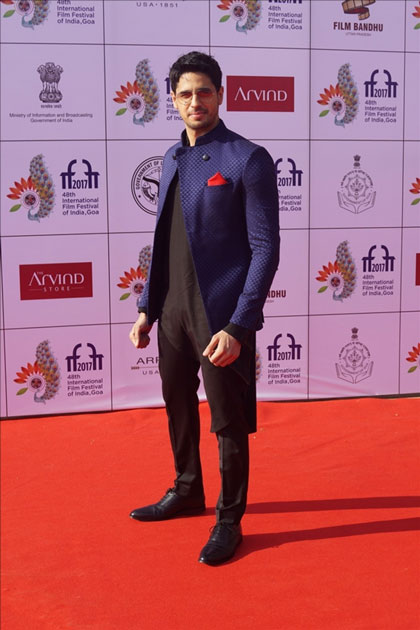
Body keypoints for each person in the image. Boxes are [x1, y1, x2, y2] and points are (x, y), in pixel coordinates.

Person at [129, 51, 279, 565]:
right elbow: (162, 237)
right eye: (186, 93)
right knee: (176, 403)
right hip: (171, 310)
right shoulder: (171, 158)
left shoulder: (247, 158)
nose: (196, 101)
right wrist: (148, 306)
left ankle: (230, 518)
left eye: (205, 91)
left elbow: (265, 248)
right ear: (172, 100)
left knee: (227, 421)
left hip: (219, 315)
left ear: (221, 94)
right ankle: (188, 488)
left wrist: (240, 324)